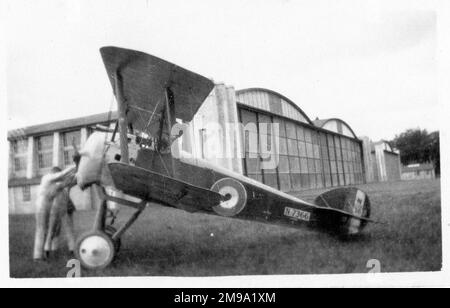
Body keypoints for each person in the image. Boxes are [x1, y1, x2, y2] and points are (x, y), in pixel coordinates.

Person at [33, 166, 76, 260]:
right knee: (43, 229)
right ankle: (38, 255)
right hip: (43, 206)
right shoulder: (47, 178)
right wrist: (75, 166)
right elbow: (64, 176)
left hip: (49, 206)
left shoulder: (56, 185)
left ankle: (47, 251)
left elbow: (67, 181)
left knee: (50, 229)